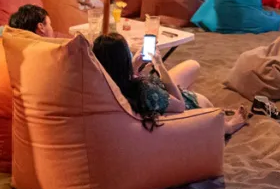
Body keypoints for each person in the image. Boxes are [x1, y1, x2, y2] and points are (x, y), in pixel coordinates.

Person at [92, 32, 248, 135]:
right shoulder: (144, 90)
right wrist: (160, 65)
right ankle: (230, 126)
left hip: (159, 93)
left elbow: (123, 80)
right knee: (209, 109)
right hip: (184, 103)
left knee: (192, 65)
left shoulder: (106, 82)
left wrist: (134, 65)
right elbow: (179, 104)